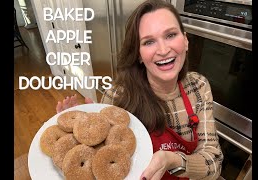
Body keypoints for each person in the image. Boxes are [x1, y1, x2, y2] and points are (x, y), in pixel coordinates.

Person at [56, 0, 223, 179]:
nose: (164, 49)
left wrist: (174, 161)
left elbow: (213, 162)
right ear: (139, 55)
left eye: (171, 35)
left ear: (186, 40)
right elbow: (100, 162)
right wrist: (74, 134)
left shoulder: (198, 86)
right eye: (149, 41)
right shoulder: (117, 96)